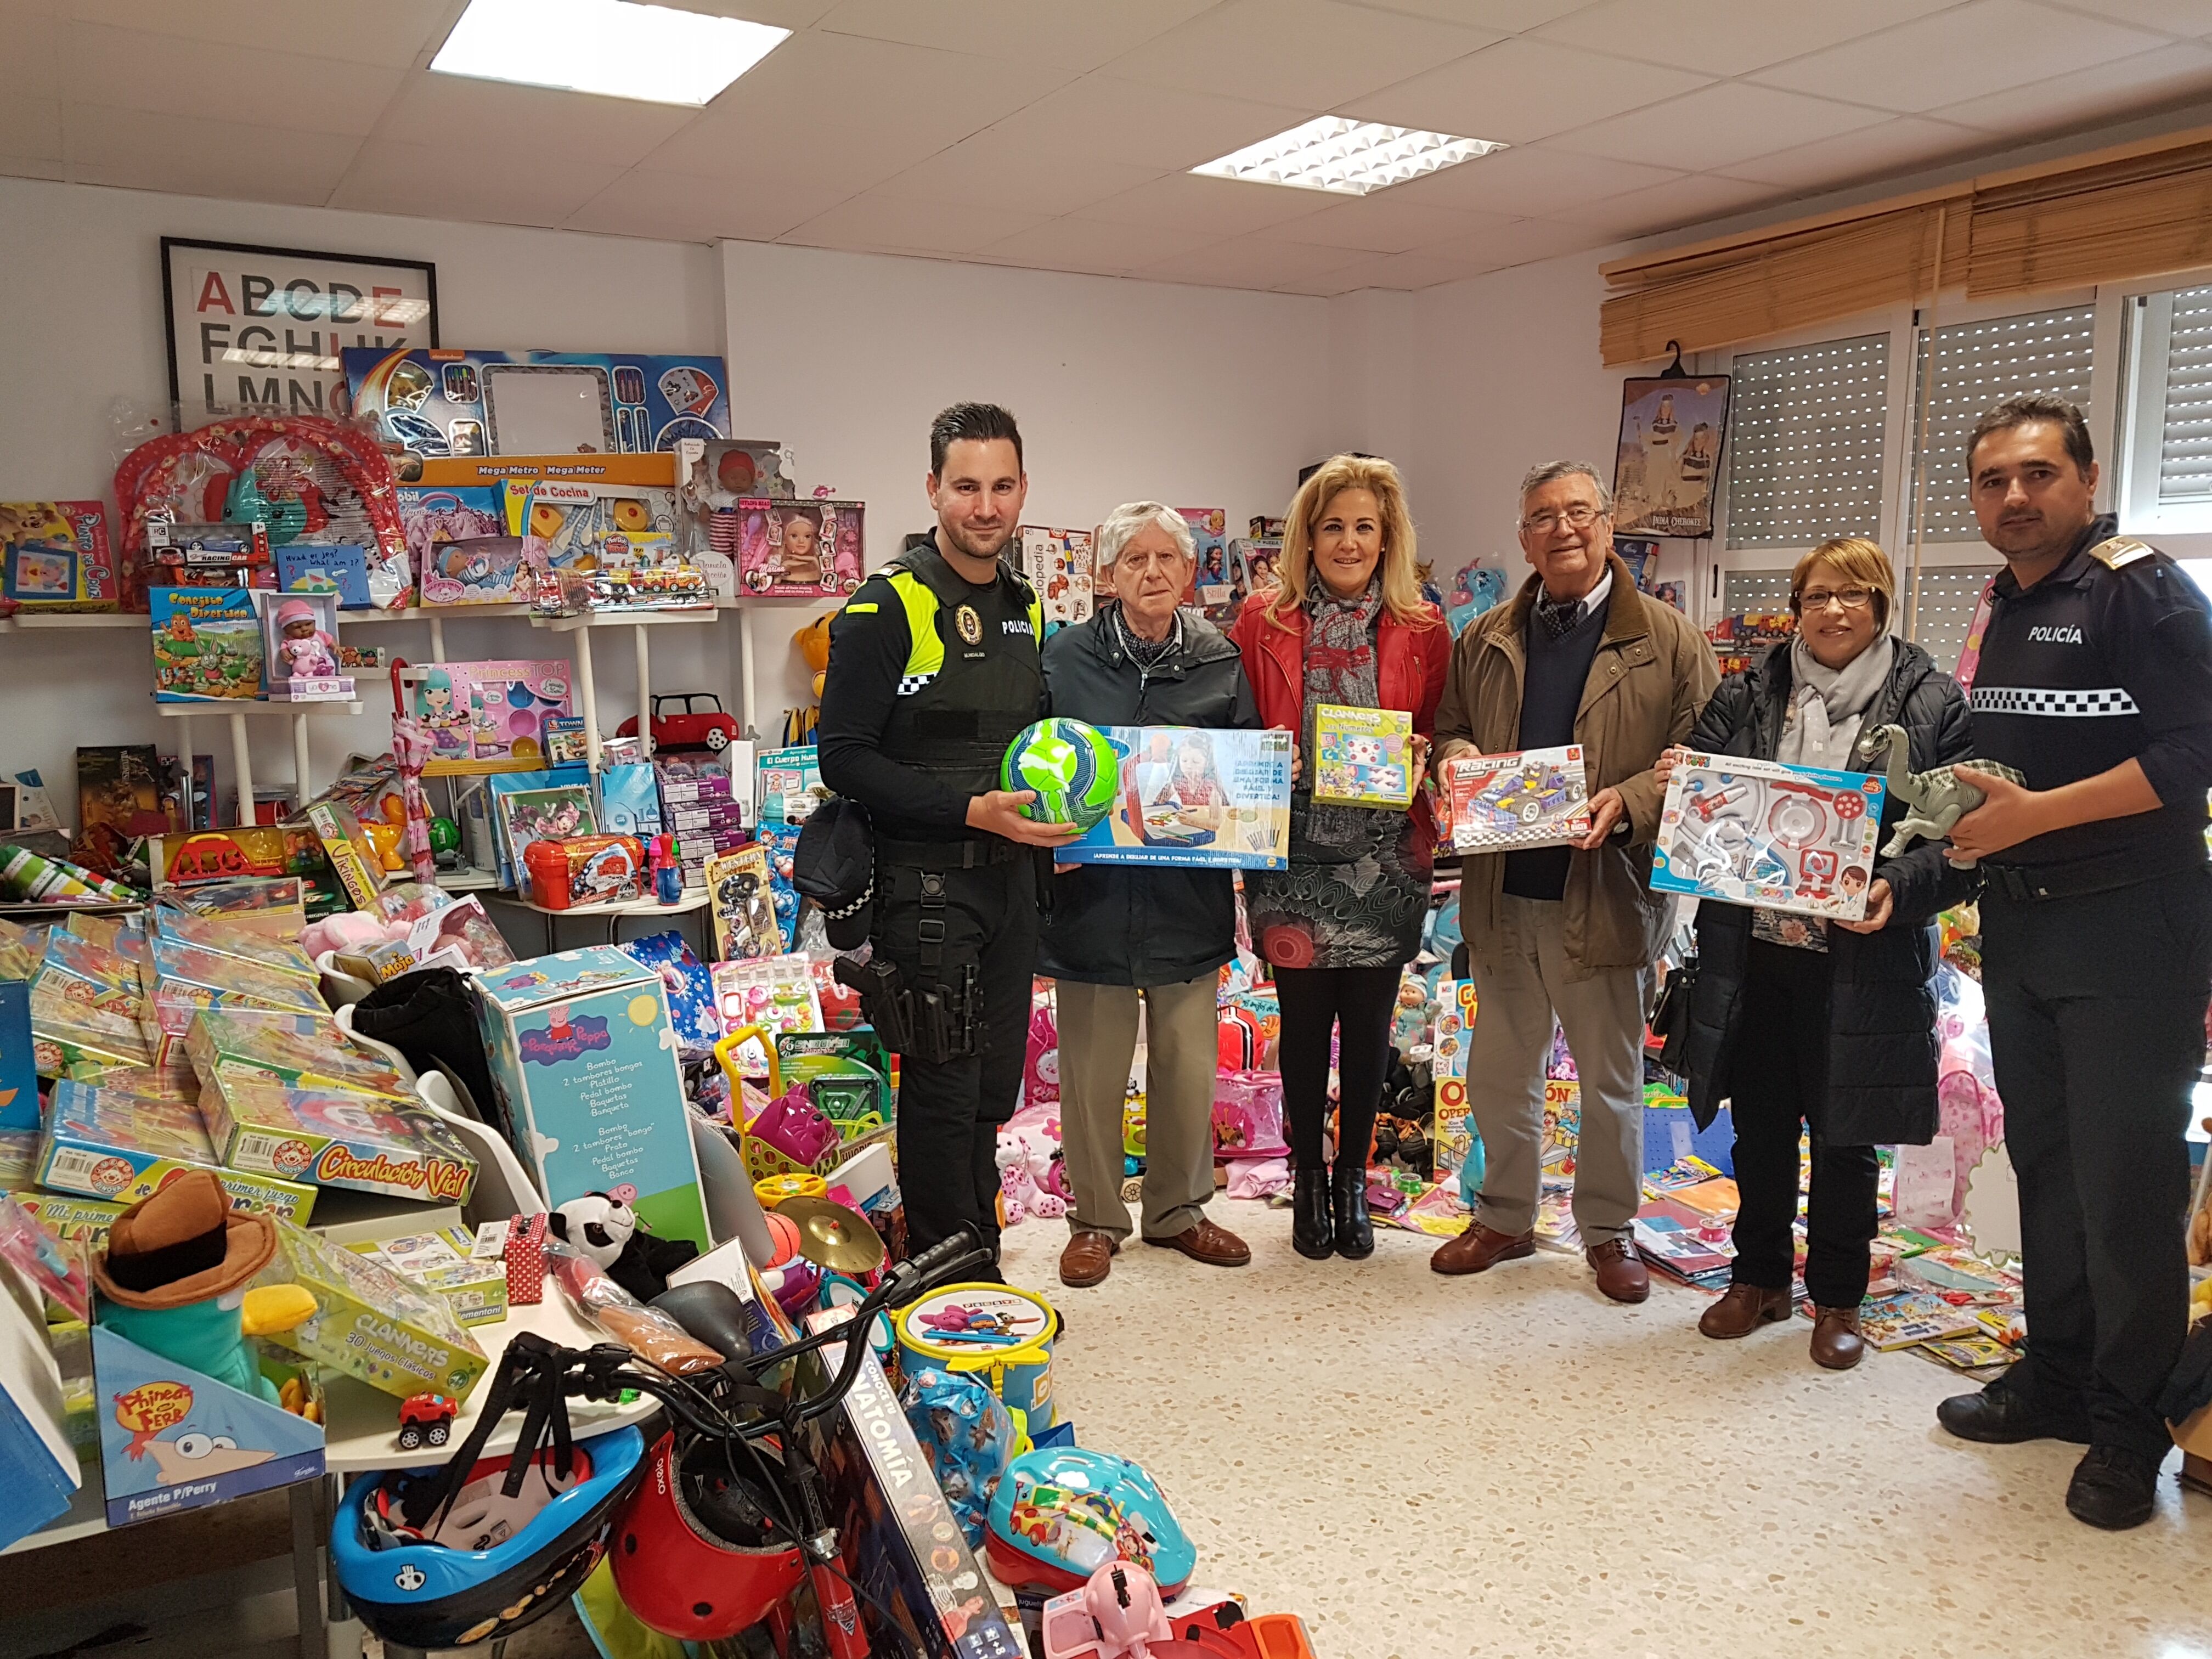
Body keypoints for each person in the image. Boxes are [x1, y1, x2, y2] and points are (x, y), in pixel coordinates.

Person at [1934, 394, 2212, 1530]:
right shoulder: (2004, 601)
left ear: (2087, 483)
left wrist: (2035, 816)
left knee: (2126, 1187)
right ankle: (2055, 1380)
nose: (2015, 496)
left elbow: (2194, 754)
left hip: (2130, 929)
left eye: (2039, 474)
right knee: (2045, 1163)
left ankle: (2128, 1427)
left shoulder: (2142, 588)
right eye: (1994, 479)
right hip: (2025, 924)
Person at [1663, 537, 1974, 1368]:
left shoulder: (1933, 702)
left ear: (1882, 605)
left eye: (1854, 595)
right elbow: (1702, 795)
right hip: (1754, 952)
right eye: (1816, 596)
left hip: (1864, 961)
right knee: (1758, 1126)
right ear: (1796, 606)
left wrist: (1896, 891)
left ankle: (1838, 1297)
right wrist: (1683, 781)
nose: (1834, 611)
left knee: (1848, 1136)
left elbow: (1962, 842)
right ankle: (1757, 1278)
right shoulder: (1752, 689)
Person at [1427, 461, 1717, 1302]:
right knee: (1499, 1073)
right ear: (1524, 536)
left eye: (1580, 512)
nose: (1564, 529)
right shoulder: (1484, 638)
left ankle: (1608, 1229)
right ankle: (1506, 1216)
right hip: (1502, 894)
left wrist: (1627, 804)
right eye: (1544, 517)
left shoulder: (1668, 639)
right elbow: (1449, 732)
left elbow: (1702, 766)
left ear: (1609, 521)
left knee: (1611, 1083)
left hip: (1609, 895)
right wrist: (1459, 762)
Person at [816, 402, 1071, 1262]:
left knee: (991, 1093)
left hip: (1011, 887)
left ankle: (979, 1256)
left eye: (1003, 486)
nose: (987, 506)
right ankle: (938, 1273)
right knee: (940, 1087)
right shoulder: (887, 606)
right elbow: (843, 758)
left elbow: (1027, 744)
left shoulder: (1026, 607)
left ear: (1023, 489)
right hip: (925, 891)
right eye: (967, 486)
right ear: (934, 489)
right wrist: (967, 811)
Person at [1231, 455, 1448, 1262]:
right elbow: (1239, 717)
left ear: (1387, 536)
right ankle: (1306, 1180)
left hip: (1388, 860)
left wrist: (1426, 755)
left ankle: (1352, 1176)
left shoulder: (1424, 627)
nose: (1350, 542)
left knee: (1368, 1031)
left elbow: (1438, 722)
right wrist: (1260, 752)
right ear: (1308, 538)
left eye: (1365, 526)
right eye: (1333, 527)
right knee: (1300, 1029)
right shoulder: (1263, 620)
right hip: (1291, 854)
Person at [1041, 501, 1258, 1288]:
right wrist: (1046, 834)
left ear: (1190, 572)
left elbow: (1246, 780)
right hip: (1089, 898)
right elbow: (1031, 762)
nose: (1153, 573)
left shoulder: (1219, 660)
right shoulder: (1061, 658)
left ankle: (1179, 1212)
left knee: (1188, 1064)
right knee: (1094, 1071)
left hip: (1184, 899)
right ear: (1107, 575)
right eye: (1134, 559)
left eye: (1168, 558)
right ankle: (1096, 1219)